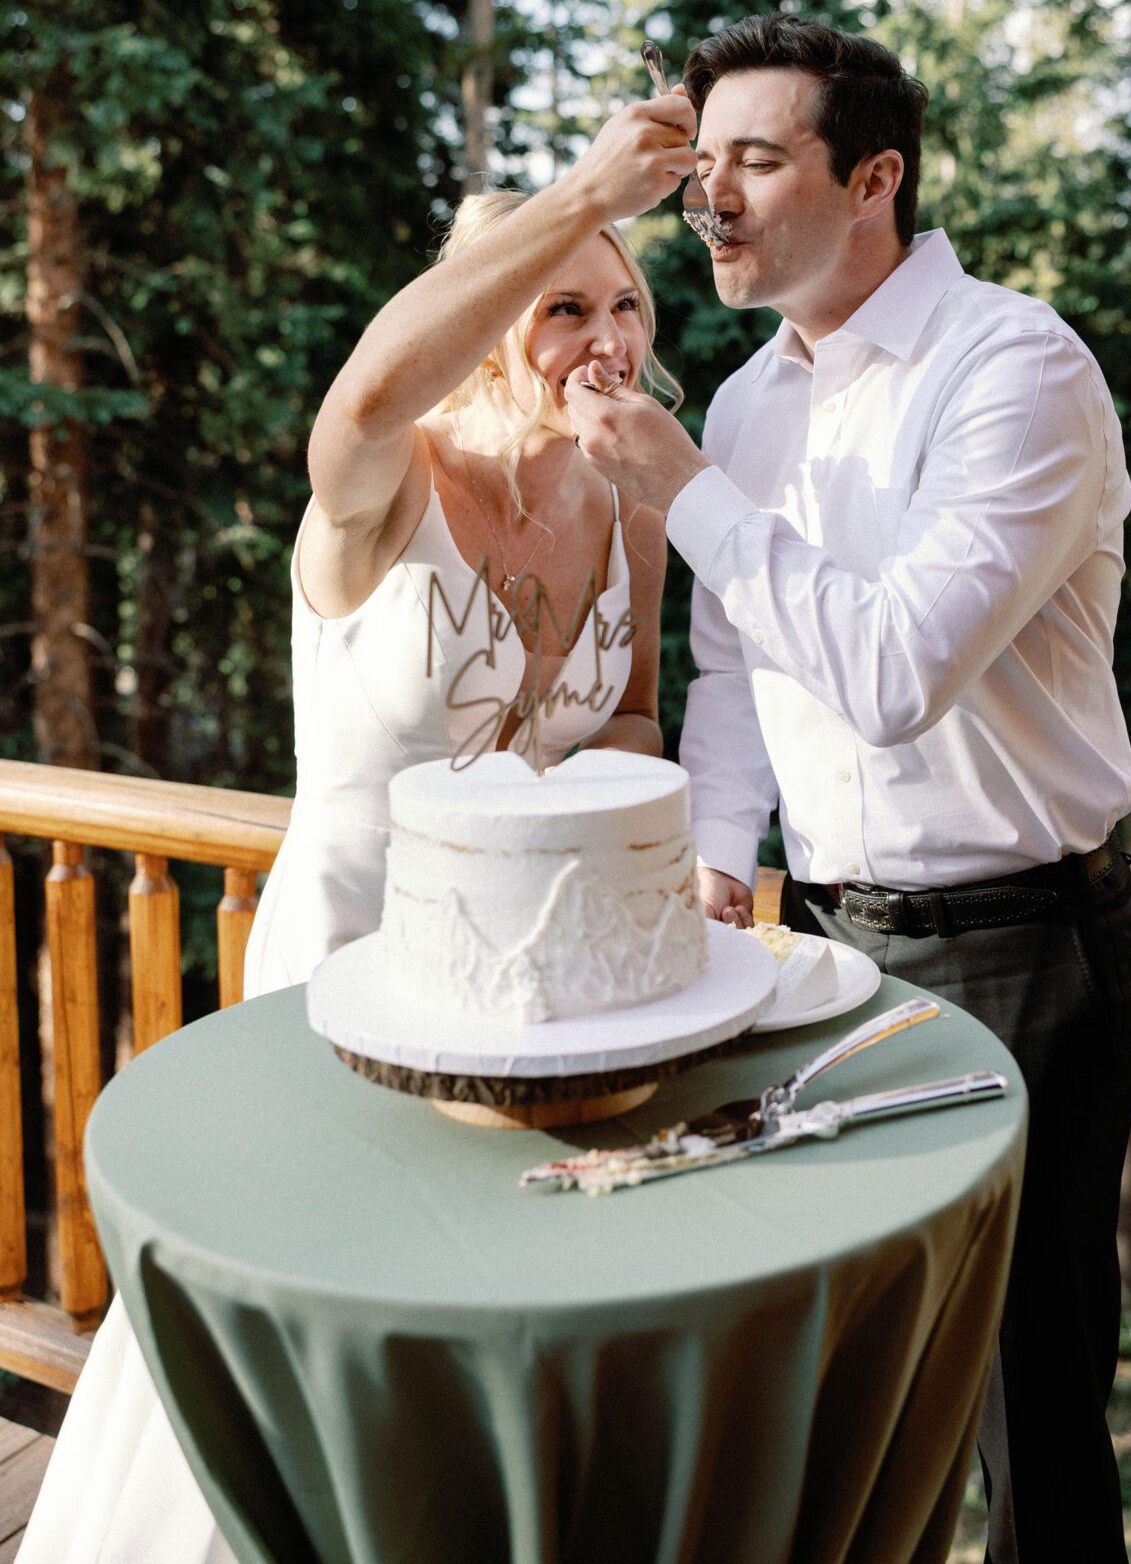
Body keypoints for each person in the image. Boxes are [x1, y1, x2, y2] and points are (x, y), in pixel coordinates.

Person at [20, 89, 697, 1564]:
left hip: (534, 1006)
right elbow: (368, 399)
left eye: (627, 304)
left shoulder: (628, 503)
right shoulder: (382, 491)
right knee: (296, 1319)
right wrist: (586, 190)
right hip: (340, 975)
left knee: (459, 1340)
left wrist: (638, 884)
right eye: (558, 302)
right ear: (485, 314)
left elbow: (632, 719)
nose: (608, 339)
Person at [565, 14, 1131, 1564]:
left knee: (1026, 1380)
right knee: (828, 1370)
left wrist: (679, 490)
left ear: (874, 176)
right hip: (820, 939)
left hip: (1023, 944)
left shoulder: (1011, 368)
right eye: (701, 169)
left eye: (757, 161)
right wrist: (712, 856)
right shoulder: (751, 401)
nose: (712, 203)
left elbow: (897, 675)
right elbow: (739, 667)